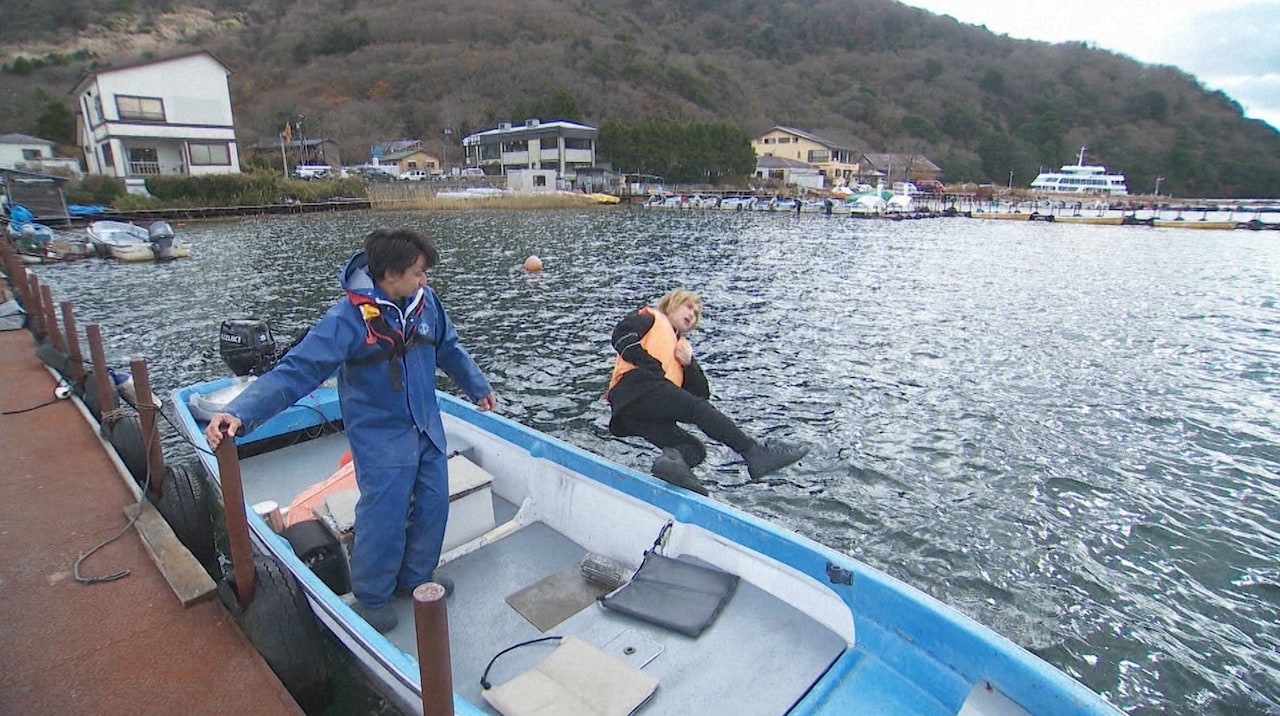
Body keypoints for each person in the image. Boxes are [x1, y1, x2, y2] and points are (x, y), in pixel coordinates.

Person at [205, 227, 496, 633]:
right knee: (384, 515)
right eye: (416, 273)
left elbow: (449, 347)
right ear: (389, 275)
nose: (423, 280)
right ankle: (373, 596)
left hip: (426, 426)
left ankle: (415, 577)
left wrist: (478, 386)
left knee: (433, 504)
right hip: (380, 435)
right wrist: (240, 412)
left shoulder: (426, 304)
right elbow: (297, 370)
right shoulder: (347, 318)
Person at [605, 289, 808, 495]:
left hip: (634, 412)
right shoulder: (650, 318)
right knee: (698, 410)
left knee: (694, 449)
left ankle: (672, 465)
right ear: (672, 304)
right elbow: (621, 335)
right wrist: (650, 365)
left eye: (696, 313)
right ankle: (753, 452)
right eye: (689, 307)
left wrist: (689, 365)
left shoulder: (680, 347)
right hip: (637, 388)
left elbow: (700, 394)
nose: (692, 314)